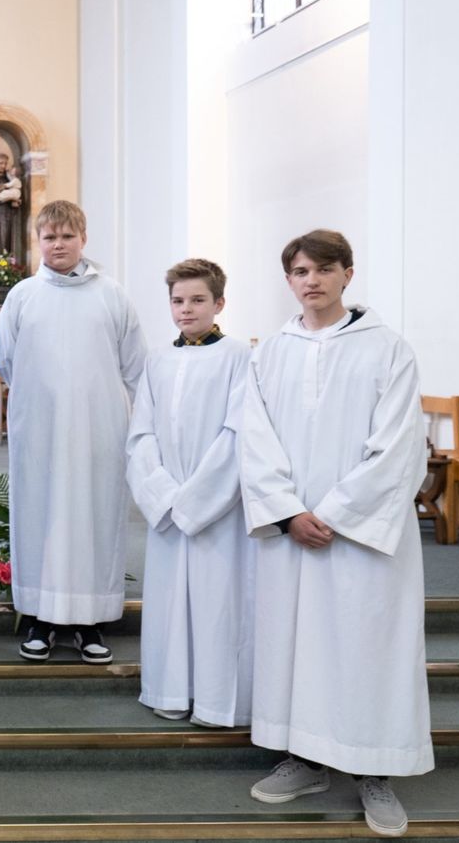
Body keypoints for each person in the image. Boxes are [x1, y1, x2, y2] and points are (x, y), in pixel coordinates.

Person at [239, 229, 430, 838]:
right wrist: (288, 510)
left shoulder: (388, 349)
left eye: (324, 269)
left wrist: (339, 513)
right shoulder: (269, 351)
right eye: (299, 271)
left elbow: (398, 446)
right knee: (294, 643)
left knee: (368, 645)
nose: (311, 280)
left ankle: (375, 771)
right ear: (288, 280)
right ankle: (305, 758)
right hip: (294, 532)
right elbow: (254, 435)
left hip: (361, 539)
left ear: (348, 273)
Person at [0, 199, 145, 665]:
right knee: (40, 516)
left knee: (94, 518)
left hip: (99, 429)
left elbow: (133, 364)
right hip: (39, 428)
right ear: (37, 242)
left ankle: (90, 621)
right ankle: (41, 618)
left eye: (67, 236)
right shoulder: (23, 296)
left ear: (83, 239)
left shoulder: (112, 295)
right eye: (50, 237)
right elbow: (6, 359)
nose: (58, 245)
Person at [125, 258, 253, 727]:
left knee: (217, 602)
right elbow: (141, 435)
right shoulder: (159, 360)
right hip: (169, 505)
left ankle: (217, 700)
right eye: (178, 301)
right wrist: (162, 494)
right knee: (170, 605)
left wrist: (196, 500)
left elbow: (238, 433)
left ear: (219, 303)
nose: (186, 309)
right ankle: (171, 689)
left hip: (215, 508)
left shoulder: (239, 357)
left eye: (198, 300)